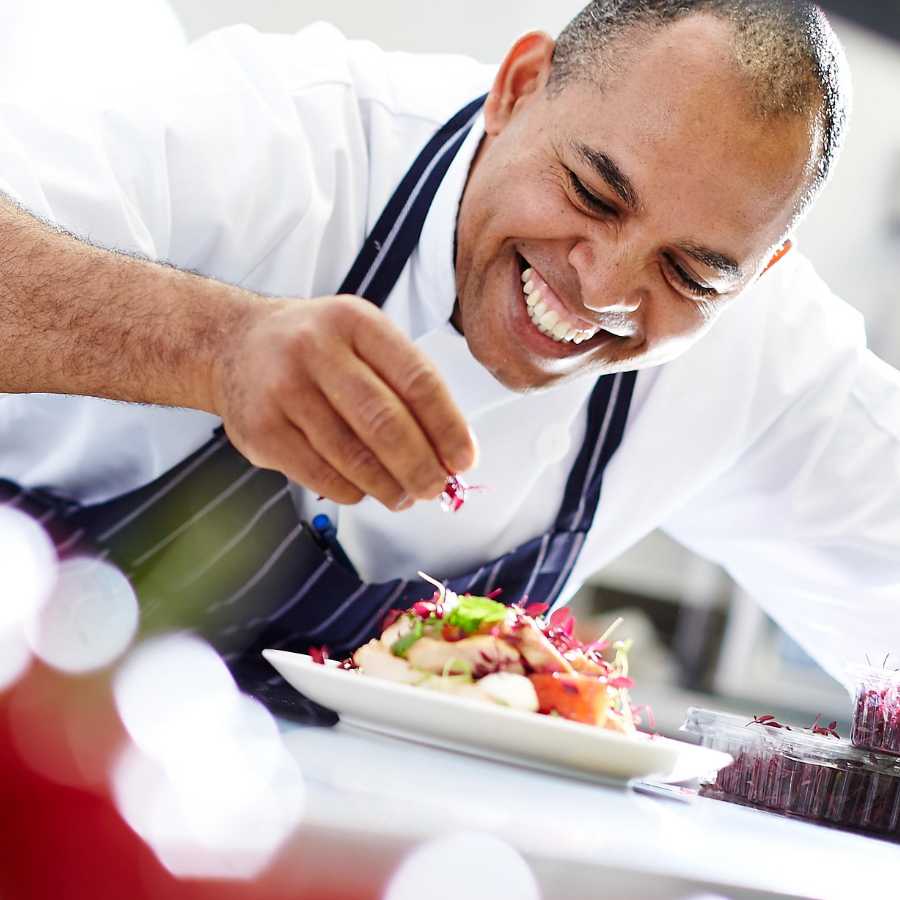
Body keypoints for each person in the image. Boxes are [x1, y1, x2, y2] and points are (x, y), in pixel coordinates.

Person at [0, 0, 897, 709]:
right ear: (517, 88)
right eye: (591, 192)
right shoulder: (281, 134)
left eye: (692, 274)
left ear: (760, 272)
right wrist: (214, 345)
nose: (605, 288)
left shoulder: (768, 359)